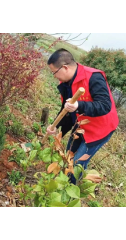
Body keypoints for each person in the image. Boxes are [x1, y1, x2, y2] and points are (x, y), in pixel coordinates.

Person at [46, 48, 119, 184]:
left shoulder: (93, 77)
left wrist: (79, 105)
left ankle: (72, 190)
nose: (54, 76)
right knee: (69, 155)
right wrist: (57, 128)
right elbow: (67, 110)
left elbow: (104, 105)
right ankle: (65, 182)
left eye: (54, 72)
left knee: (78, 164)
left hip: (100, 129)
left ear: (65, 67)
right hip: (81, 124)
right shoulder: (66, 83)